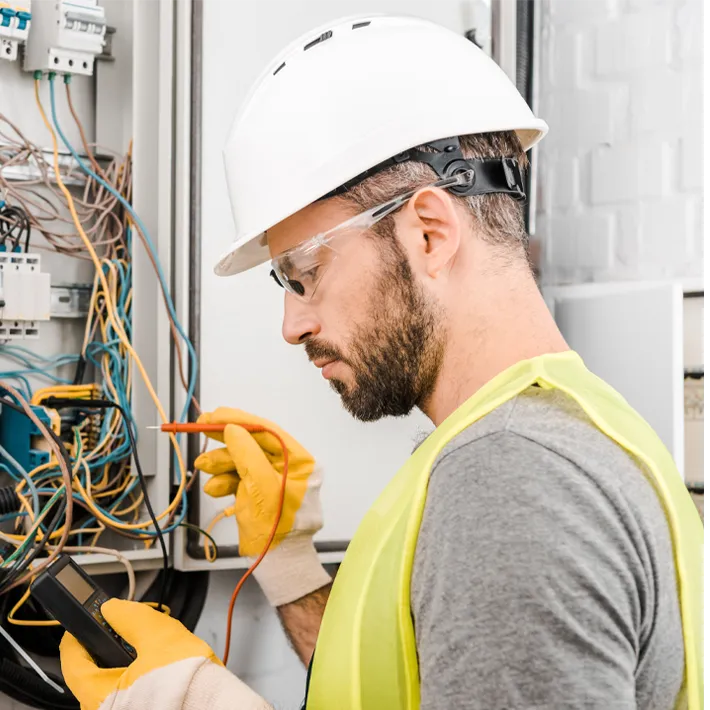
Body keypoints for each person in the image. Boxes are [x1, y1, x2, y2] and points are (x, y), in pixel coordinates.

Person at [60, 14, 702, 710]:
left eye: (303, 275)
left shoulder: (511, 480)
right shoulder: (566, 427)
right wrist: (288, 560)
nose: (292, 324)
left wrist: (184, 699)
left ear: (429, 234)